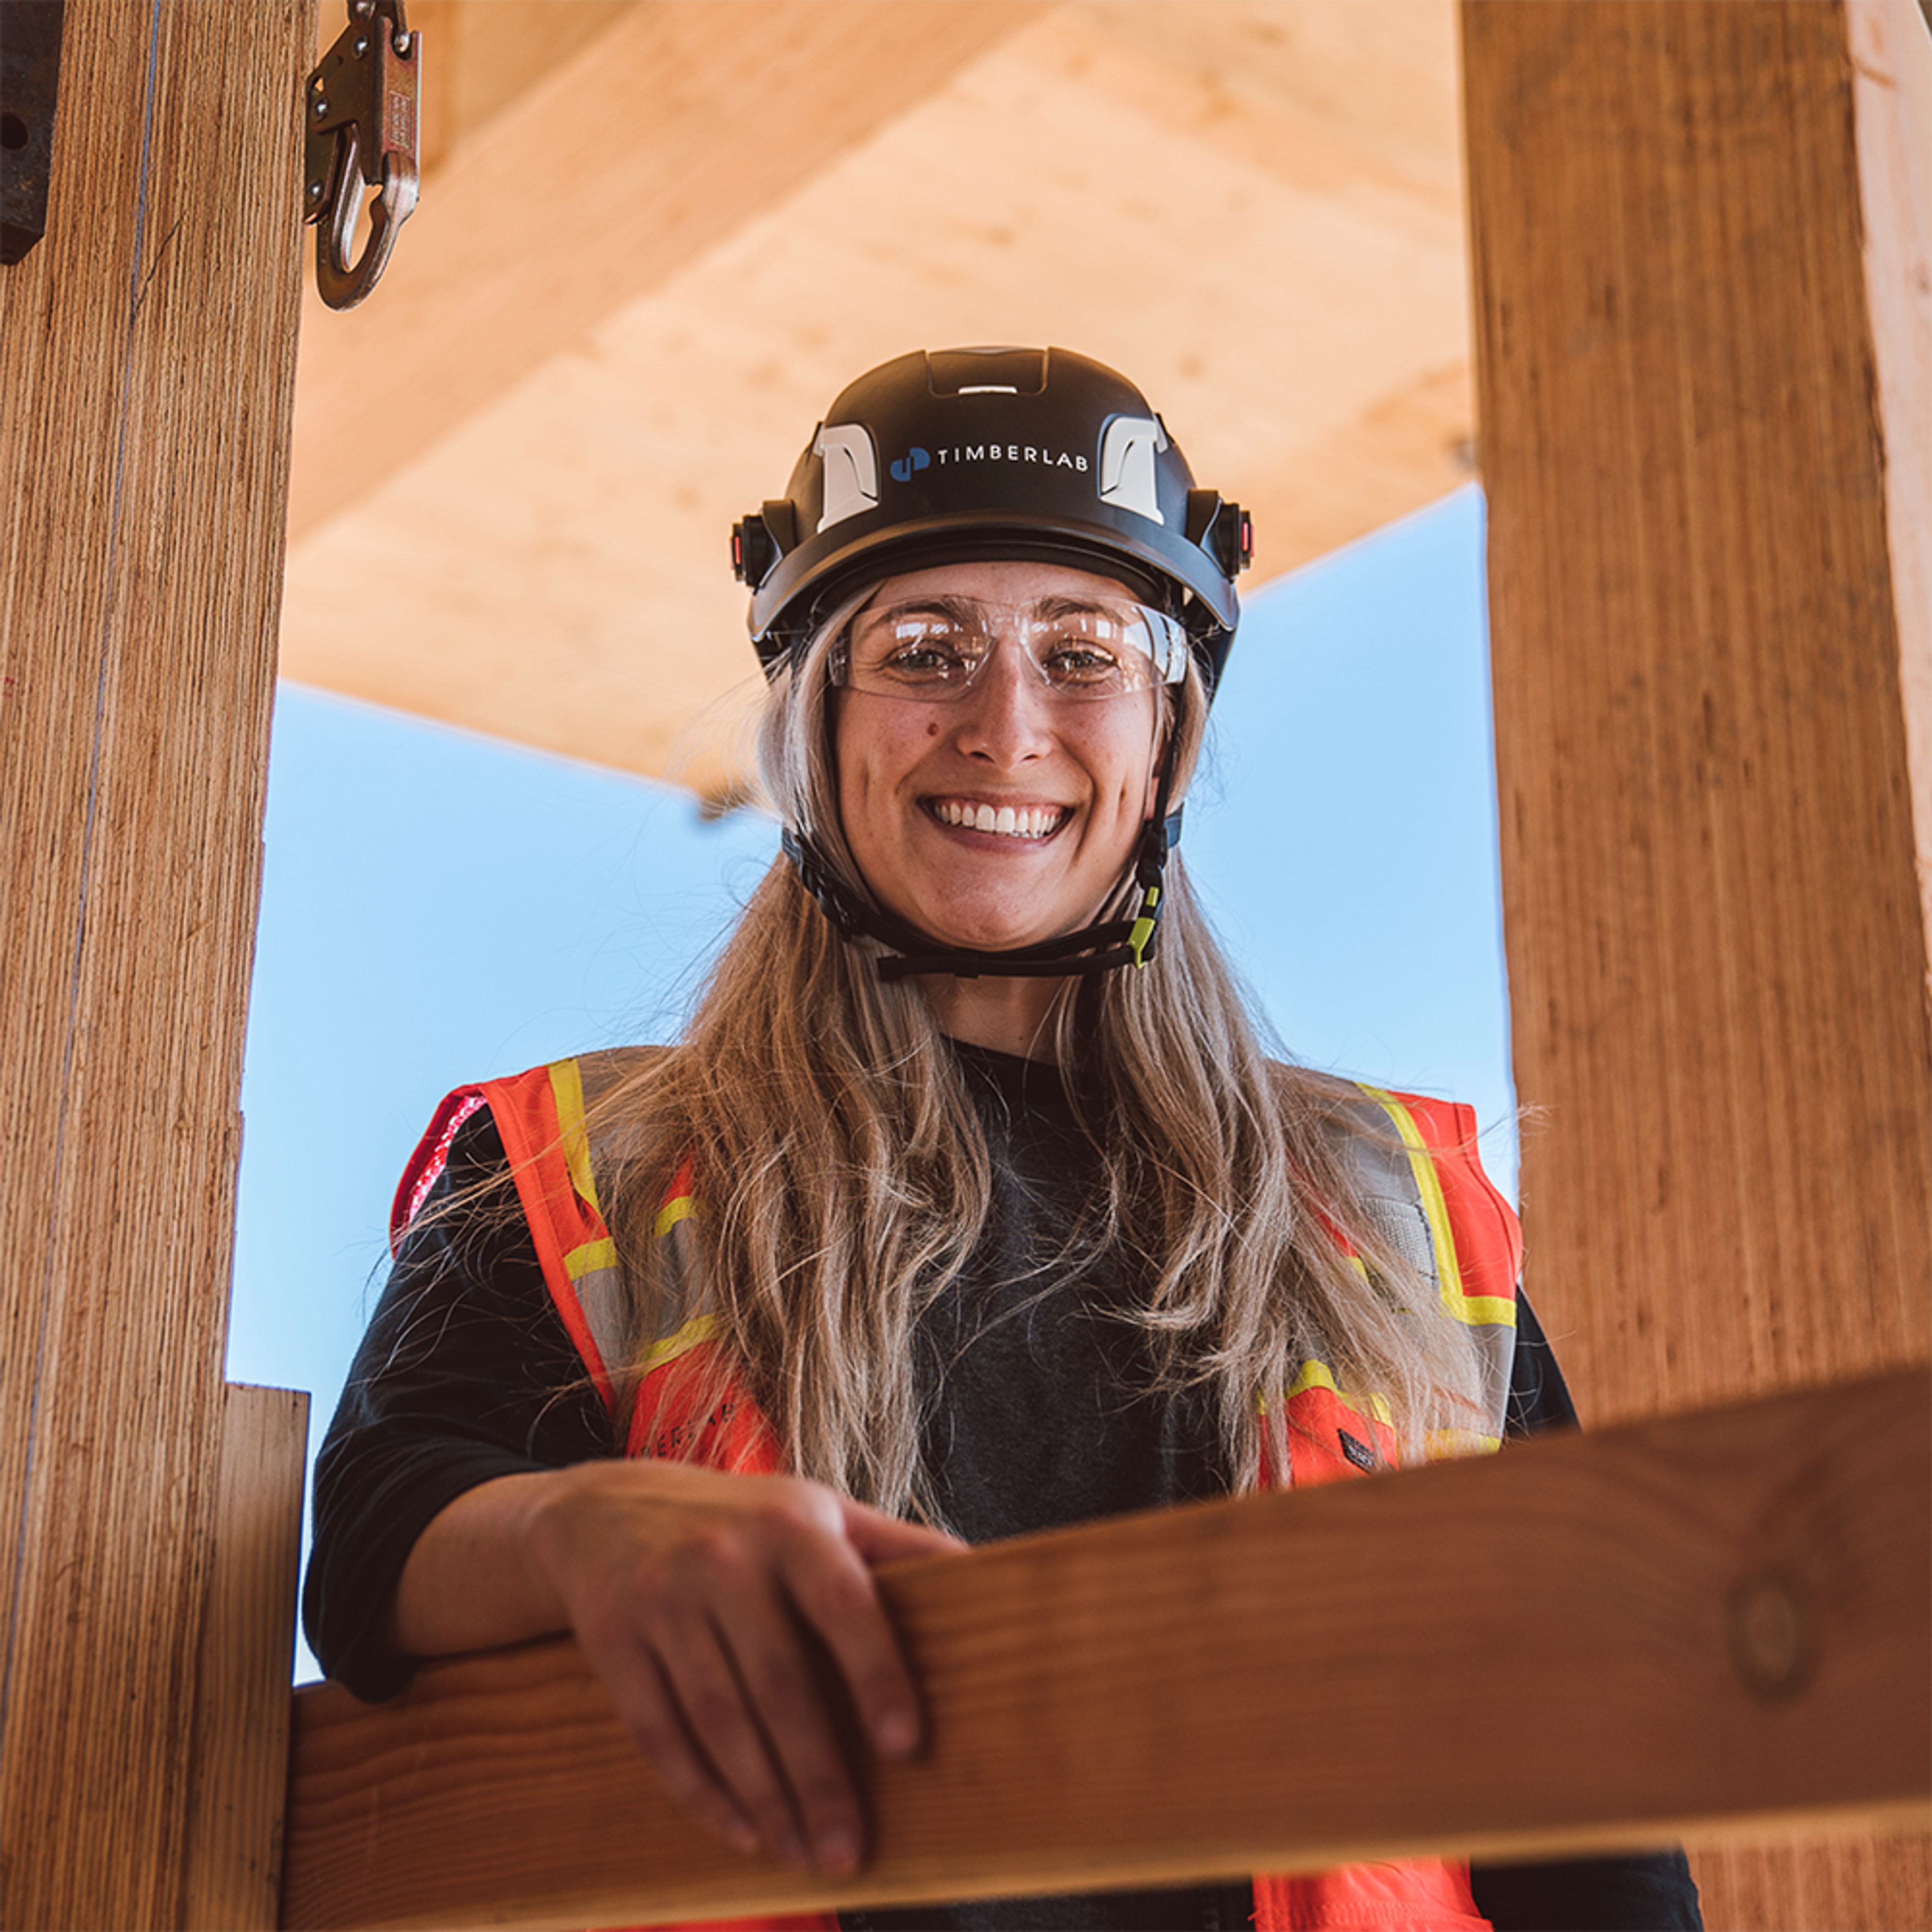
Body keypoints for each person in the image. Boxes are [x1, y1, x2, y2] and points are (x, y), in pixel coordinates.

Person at [306, 346, 1703, 1932]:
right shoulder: (592, 1165)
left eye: (1083, 650)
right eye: (926, 647)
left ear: (1169, 734)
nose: (1006, 724)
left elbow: (1604, 1829)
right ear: (820, 719)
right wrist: (577, 1535)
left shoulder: (1401, 1218)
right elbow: (374, 1547)